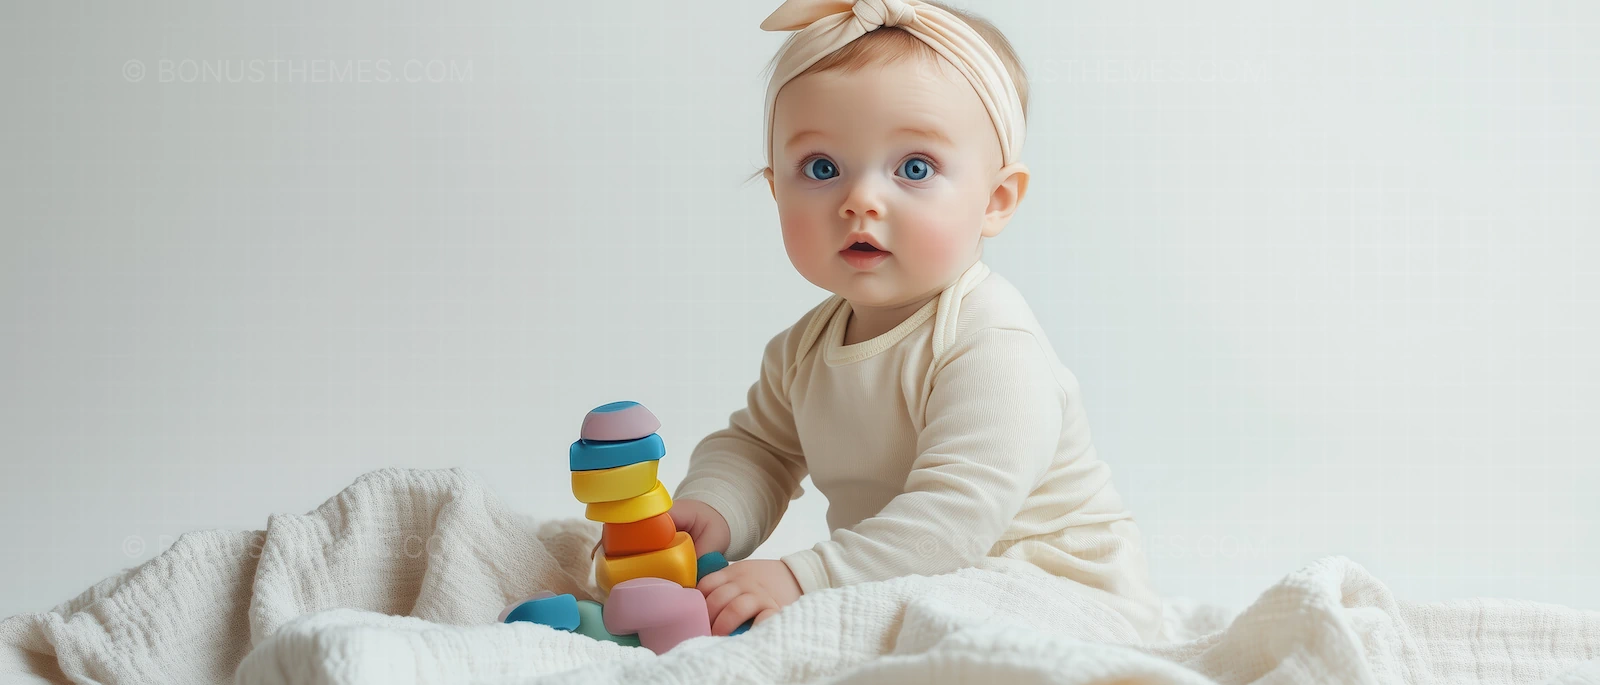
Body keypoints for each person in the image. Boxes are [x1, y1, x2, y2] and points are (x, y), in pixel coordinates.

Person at [667, 0, 1164, 642]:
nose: (861, 200)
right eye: (822, 168)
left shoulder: (989, 341)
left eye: (915, 168)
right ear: (774, 189)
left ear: (994, 200)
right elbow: (758, 449)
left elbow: (955, 517)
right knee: (876, 633)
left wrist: (803, 579)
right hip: (911, 581)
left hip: (1050, 583)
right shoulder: (803, 348)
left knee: (942, 636)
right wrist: (712, 510)